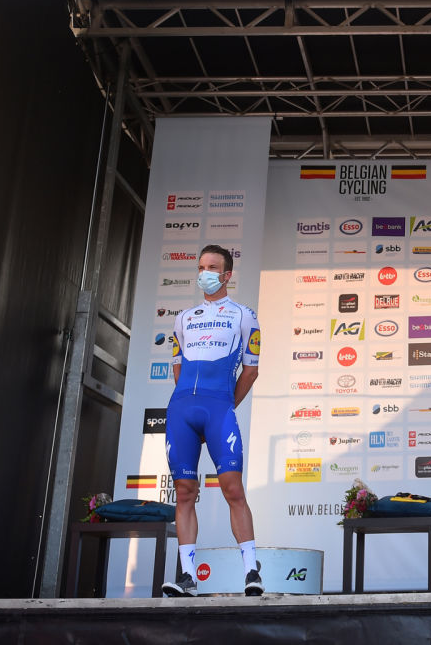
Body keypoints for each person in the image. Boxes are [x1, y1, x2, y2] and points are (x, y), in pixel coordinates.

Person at [160, 244, 265, 597]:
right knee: (184, 492)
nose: (204, 273)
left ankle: (251, 570)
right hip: (181, 411)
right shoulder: (183, 318)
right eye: (200, 267)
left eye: (212, 268)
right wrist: (187, 404)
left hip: (218, 409)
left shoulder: (244, 316)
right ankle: (187, 576)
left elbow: (250, 371)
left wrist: (224, 405)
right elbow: (177, 367)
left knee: (233, 489)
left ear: (226, 275)